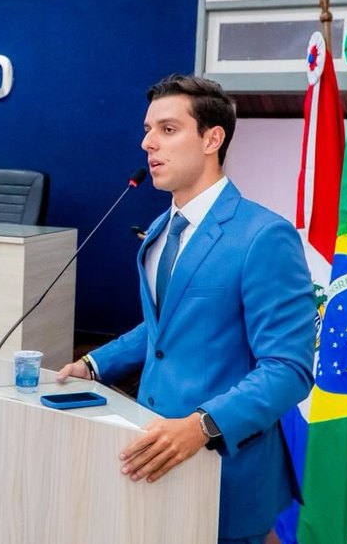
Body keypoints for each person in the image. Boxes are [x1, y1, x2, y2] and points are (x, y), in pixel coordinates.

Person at [56, 75, 316, 544]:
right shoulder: (161, 227)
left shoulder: (264, 236)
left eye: (168, 129)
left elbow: (289, 368)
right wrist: (93, 365)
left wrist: (202, 427)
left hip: (225, 469)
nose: (148, 143)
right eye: (148, 129)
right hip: (150, 453)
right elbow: (163, 327)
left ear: (212, 138)